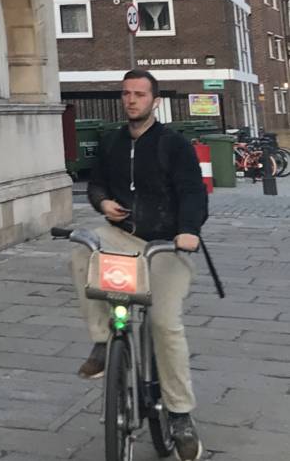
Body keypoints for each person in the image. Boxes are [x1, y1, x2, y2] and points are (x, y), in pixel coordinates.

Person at [73, 69, 209, 461]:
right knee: (81, 248)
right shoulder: (112, 140)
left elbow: (192, 192)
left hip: (167, 245)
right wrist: (102, 204)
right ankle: (102, 342)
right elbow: (95, 182)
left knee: (165, 323)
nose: (131, 100)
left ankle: (180, 414)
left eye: (139, 94)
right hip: (123, 236)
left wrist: (188, 230)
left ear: (154, 101)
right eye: (126, 94)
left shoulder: (173, 145)